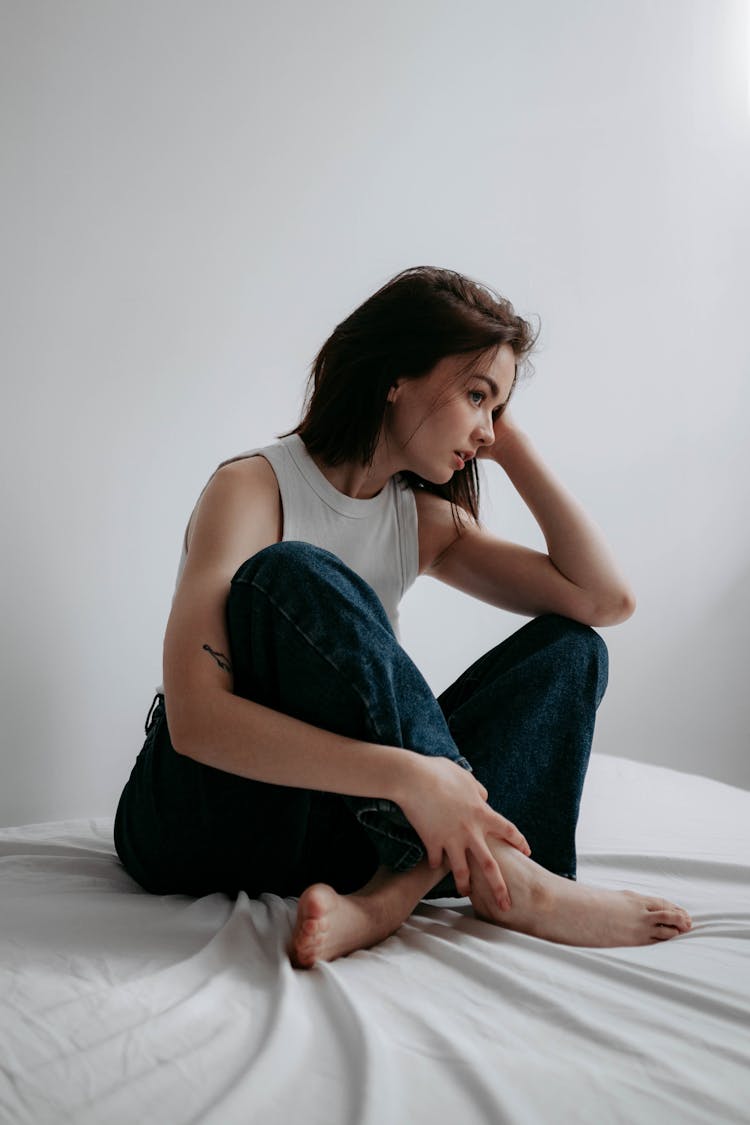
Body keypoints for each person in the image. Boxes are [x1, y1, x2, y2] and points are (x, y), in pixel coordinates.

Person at [114, 265, 692, 968]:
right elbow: (195, 720)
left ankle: (390, 896)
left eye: (498, 411)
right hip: (198, 816)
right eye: (476, 397)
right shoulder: (252, 488)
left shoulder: (421, 521)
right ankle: (506, 877)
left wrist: (513, 442)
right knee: (290, 571)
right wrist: (410, 777)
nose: (485, 430)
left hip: (325, 823)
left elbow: (604, 601)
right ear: (395, 373)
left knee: (571, 651)